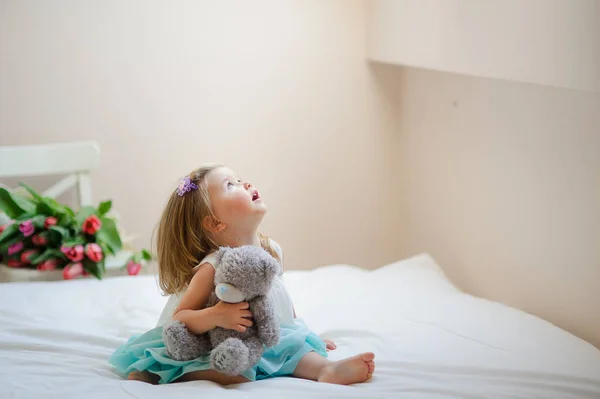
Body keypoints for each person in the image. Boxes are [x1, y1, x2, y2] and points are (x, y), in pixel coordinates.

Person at [109, 164, 375, 385]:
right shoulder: (213, 265)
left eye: (238, 179)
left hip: (261, 336)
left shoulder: (271, 250)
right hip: (216, 341)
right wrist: (216, 315)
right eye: (230, 185)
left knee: (296, 349)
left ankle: (326, 371)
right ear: (215, 223)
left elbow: (281, 300)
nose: (245, 183)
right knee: (235, 371)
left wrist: (304, 332)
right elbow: (181, 317)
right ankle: (158, 373)